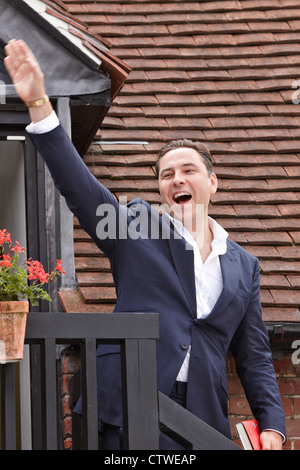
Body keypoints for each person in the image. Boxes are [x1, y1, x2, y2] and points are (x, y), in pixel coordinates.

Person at [4, 39, 286, 450]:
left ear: (213, 183)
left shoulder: (245, 266)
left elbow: (255, 355)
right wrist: (40, 107)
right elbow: (83, 191)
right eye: (166, 174)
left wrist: (273, 425)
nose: (176, 180)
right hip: (126, 401)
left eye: (188, 170)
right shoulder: (136, 228)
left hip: (201, 415)